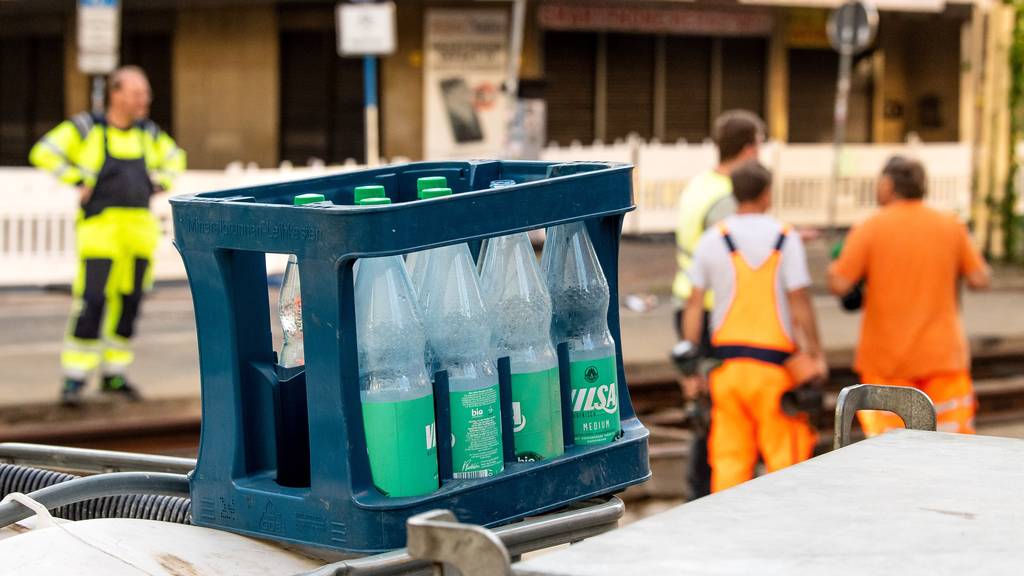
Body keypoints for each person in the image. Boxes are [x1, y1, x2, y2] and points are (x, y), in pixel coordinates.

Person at [29, 66, 186, 406]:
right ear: (116, 93)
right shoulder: (86, 128)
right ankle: (74, 378)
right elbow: (43, 151)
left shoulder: (149, 134)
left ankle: (114, 374)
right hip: (99, 234)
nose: (145, 100)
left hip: (138, 235)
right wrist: (74, 179)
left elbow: (176, 159)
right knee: (93, 302)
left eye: (145, 94)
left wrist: (160, 182)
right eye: (137, 93)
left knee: (129, 304)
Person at [679, 160, 826, 493]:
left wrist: (691, 367)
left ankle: (728, 533)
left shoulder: (713, 239)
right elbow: (800, 300)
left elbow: (693, 306)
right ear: (767, 194)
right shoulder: (785, 238)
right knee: (786, 465)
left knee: (729, 464)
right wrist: (816, 354)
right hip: (774, 372)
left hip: (726, 372)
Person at [828, 156, 990, 436]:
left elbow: (840, 284)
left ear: (888, 185)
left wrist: (834, 267)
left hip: (888, 364)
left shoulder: (870, 227)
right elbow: (980, 278)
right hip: (943, 360)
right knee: (951, 449)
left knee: (890, 456)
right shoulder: (951, 225)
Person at [671, 110, 764, 499]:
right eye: (758, 145)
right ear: (747, 149)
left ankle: (703, 491)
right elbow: (736, 259)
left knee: (707, 407)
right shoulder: (728, 198)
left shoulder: (700, 185)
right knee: (719, 414)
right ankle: (705, 494)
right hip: (714, 312)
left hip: (689, 303)